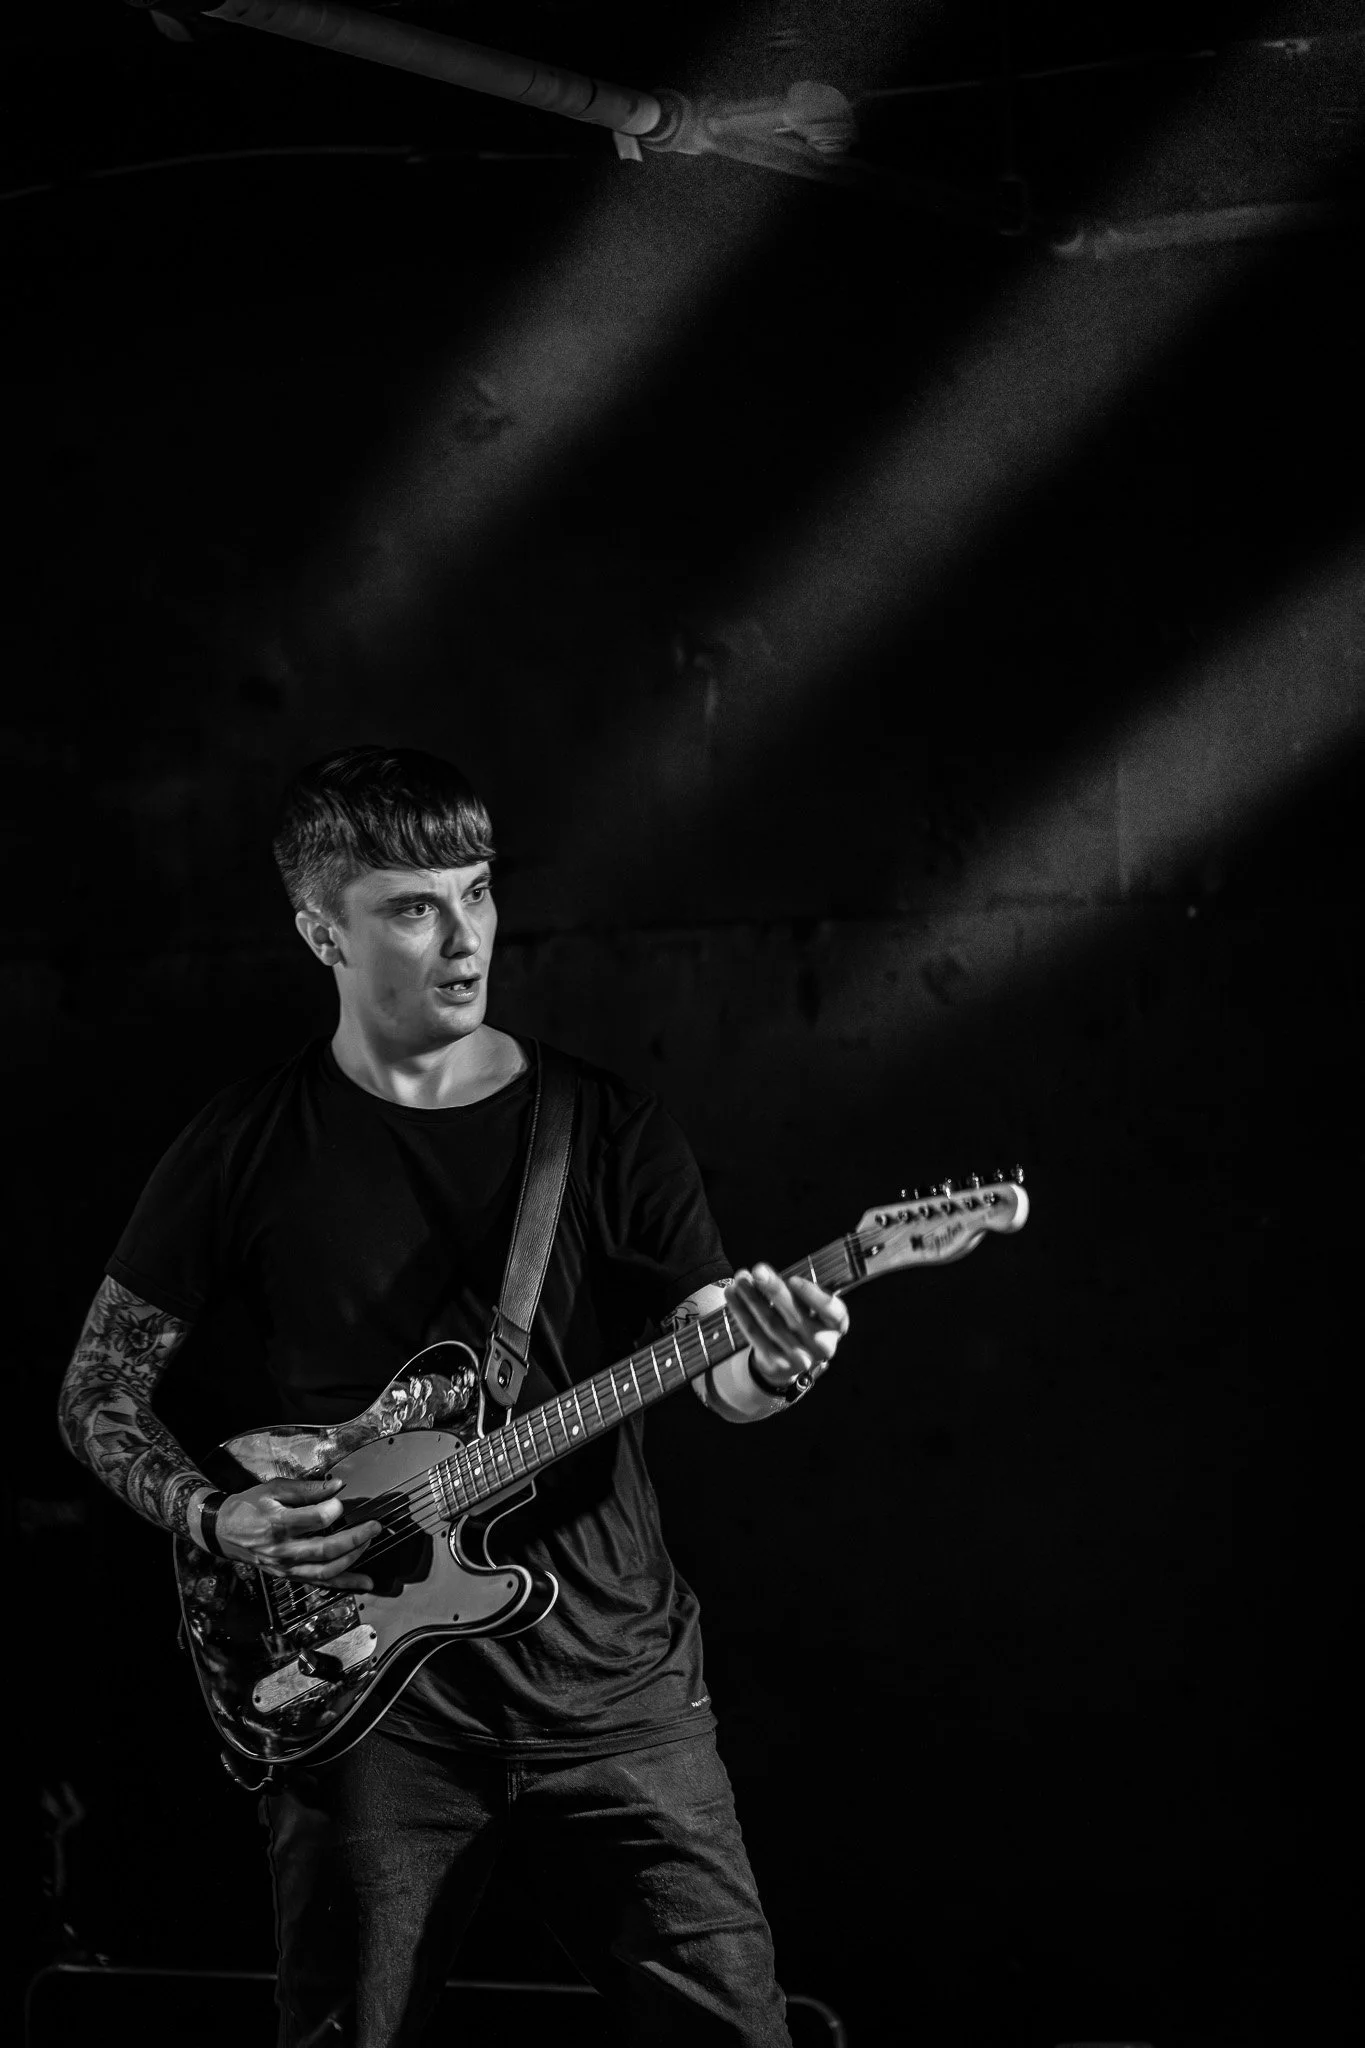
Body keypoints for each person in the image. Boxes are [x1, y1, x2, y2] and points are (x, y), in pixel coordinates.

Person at [58, 745, 850, 2048]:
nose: (464, 935)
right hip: (363, 1707)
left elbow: (718, 1360)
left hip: (615, 1696)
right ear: (322, 929)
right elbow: (99, 1389)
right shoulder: (244, 1145)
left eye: (476, 893)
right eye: (413, 906)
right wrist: (216, 1521)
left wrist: (779, 1359)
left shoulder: (599, 1127)